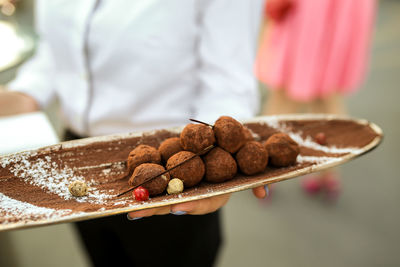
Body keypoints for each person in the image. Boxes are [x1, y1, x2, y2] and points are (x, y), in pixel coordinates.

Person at [0, 0, 267, 266]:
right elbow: (56, 48)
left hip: (172, 174)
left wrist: (219, 158)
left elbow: (228, 83)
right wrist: (26, 92)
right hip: (79, 162)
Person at [255, 0, 377, 200]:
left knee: (284, 94)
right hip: (345, 9)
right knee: (327, 94)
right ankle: (329, 173)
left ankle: (267, 170)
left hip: (310, 9)